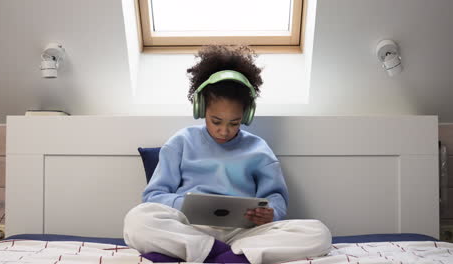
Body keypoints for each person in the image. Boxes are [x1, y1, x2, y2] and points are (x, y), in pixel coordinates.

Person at [123, 45, 331, 264]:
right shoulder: (181, 142)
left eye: (234, 123)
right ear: (201, 108)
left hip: (243, 233)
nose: (224, 130)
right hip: (190, 228)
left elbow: (275, 200)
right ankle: (223, 255)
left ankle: (203, 254)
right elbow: (153, 196)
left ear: (247, 114)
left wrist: (271, 213)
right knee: (137, 220)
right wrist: (186, 203)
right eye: (216, 121)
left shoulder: (259, 149)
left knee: (319, 233)